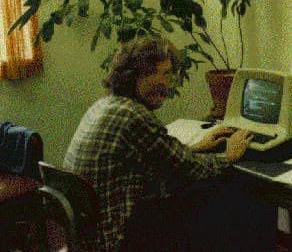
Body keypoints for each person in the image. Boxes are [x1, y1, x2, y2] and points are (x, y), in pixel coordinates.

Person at [63, 36, 255, 251]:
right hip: (114, 239)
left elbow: (157, 154)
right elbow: (187, 168)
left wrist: (197, 147)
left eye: (166, 74)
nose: (162, 83)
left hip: (86, 237)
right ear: (130, 76)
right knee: (227, 188)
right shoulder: (132, 115)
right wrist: (228, 156)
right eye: (151, 73)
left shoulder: (106, 104)